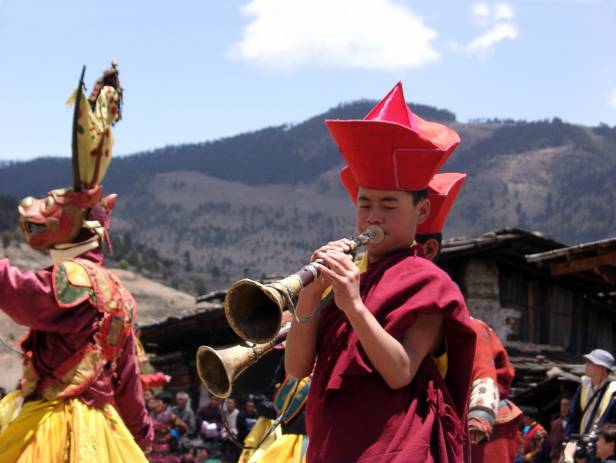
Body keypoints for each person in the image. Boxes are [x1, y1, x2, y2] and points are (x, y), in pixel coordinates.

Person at [284, 82, 476, 462]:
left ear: (421, 212)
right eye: (365, 203)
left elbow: (400, 371)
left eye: (389, 205)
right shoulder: (346, 275)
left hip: (394, 449)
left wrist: (353, 305)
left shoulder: (428, 281)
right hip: (332, 446)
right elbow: (296, 367)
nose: (373, 216)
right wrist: (311, 292)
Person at [0, 62, 152, 462]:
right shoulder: (120, 295)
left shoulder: (72, 277)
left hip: (55, 427)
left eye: (53, 206)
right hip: (104, 431)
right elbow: (128, 383)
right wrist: (141, 434)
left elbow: (18, 295)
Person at [414, 172, 523, 462]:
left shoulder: (471, 328)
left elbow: (483, 374)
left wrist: (478, 418)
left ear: (428, 250)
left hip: (481, 433)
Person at [566, 349, 616, 440]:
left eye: (590, 362)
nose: (586, 365)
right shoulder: (584, 386)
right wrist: (569, 439)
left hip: (601, 444)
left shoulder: (613, 392)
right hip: (581, 441)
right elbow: (573, 415)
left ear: (602, 368)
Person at [548, 396, 570, 463]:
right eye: (562, 405)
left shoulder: (576, 424)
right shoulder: (555, 424)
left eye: (566, 405)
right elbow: (552, 444)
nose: (563, 408)